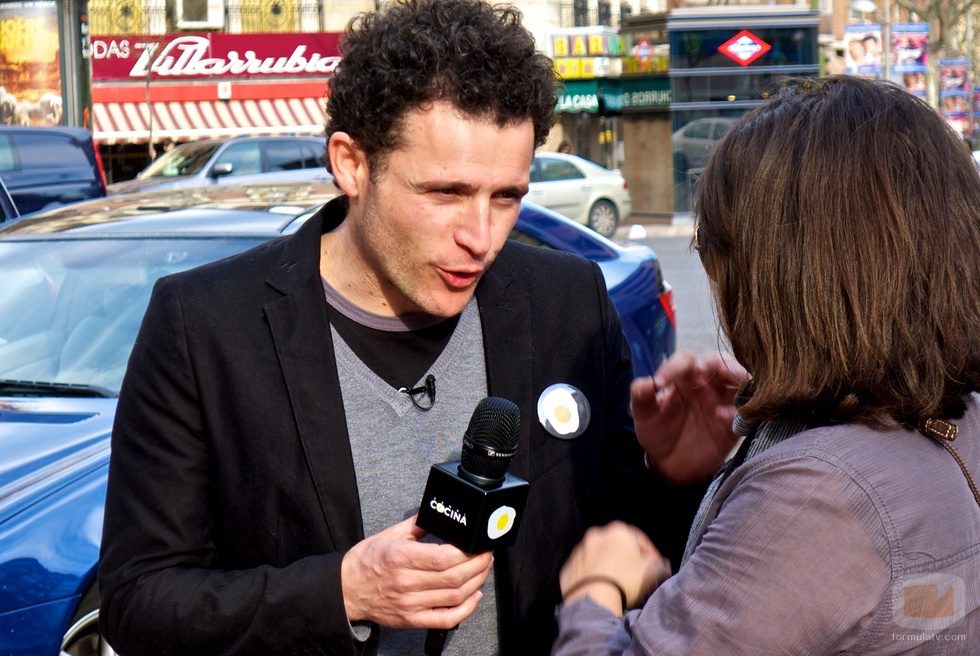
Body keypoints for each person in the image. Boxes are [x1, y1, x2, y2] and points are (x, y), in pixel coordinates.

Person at [97, 1, 719, 654]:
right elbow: (140, 602)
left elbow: (625, 551)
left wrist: (675, 479)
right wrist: (342, 592)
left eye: (506, 197)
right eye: (445, 194)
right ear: (352, 163)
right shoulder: (205, 326)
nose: (480, 237)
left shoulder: (567, 301)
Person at [553, 76, 980, 653]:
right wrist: (701, 469)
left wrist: (594, 591)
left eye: (718, 252)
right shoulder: (951, 417)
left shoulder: (821, 496)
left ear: (780, 275)